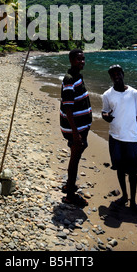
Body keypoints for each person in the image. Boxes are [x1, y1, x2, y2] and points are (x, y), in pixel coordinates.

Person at [102, 64, 137, 216]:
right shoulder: (107, 95)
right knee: (119, 168)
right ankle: (124, 196)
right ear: (111, 77)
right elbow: (104, 112)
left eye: (118, 73)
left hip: (132, 137)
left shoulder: (134, 93)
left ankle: (133, 201)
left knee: (132, 172)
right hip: (115, 137)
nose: (116, 76)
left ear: (123, 74)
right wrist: (106, 117)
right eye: (113, 74)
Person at [59, 48, 92, 207]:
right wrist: (76, 133)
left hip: (79, 127)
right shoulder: (69, 79)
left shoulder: (77, 76)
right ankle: (70, 195)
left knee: (76, 155)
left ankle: (69, 186)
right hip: (75, 129)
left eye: (83, 59)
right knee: (75, 157)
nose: (82, 62)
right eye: (79, 59)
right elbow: (68, 108)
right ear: (72, 60)